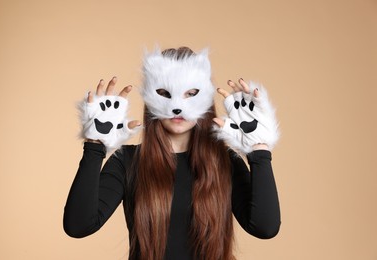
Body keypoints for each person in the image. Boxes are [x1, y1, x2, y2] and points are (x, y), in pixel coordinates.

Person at [63, 47, 281, 260]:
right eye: (165, 94)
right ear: (150, 98)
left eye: (191, 94)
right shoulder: (127, 162)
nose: (178, 106)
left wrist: (259, 148)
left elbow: (265, 228)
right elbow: (78, 226)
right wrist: (95, 143)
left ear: (204, 98)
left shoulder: (226, 162)